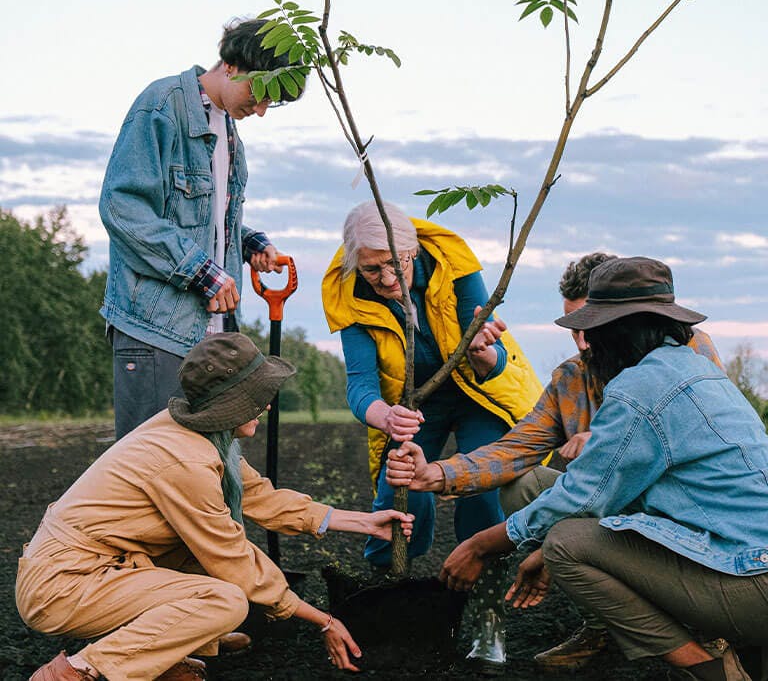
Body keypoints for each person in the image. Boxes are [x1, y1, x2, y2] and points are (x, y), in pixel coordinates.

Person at [400, 256, 768, 681]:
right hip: (731, 551)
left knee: (568, 544)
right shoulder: (690, 369)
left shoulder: (641, 384)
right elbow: (521, 449)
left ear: (617, 330)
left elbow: (585, 494)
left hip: (745, 572)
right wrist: (440, 474)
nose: (583, 343)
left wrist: (484, 544)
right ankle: (729, 647)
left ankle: (711, 669)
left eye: (589, 330)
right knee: (547, 508)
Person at [18, 333, 414, 680]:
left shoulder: (201, 435)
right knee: (224, 599)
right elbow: (232, 557)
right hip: (63, 584)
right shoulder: (185, 460)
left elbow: (262, 497)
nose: (268, 406)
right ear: (232, 404)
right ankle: (78, 672)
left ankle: (163, 655)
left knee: (203, 565)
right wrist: (322, 619)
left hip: (105, 565)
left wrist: (365, 522)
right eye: (259, 398)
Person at [321, 200, 543, 671]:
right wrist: (383, 415)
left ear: (414, 250)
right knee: (399, 494)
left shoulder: (454, 262)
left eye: (392, 265)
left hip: (479, 393)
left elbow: (492, 359)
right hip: (412, 403)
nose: (384, 280)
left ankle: (487, 622)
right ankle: (387, 599)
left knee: (482, 493)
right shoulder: (346, 290)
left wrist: (484, 352)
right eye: (371, 269)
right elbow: (360, 383)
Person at [100, 18, 296, 440]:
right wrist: (202, 271)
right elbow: (123, 208)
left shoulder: (228, 129)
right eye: (260, 94)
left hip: (213, 332)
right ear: (231, 64)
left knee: (209, 471)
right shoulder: (161, 106)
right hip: (156, 329)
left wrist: (249, 242)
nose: (261, 110)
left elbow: (206, 220)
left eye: (272, 104)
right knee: (153, 468)